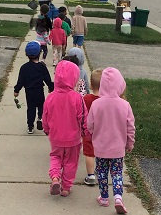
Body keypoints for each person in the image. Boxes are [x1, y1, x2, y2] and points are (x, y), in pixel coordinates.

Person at [87, 67, 135, 214]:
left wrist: (92, 134)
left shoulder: (96, 104)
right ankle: (118, 196)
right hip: (117, 148)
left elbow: (90, 124)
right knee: (117, 172)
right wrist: (129, 143)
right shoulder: (124, 105)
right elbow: (130, 127)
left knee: (101, 172)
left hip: (100, 147)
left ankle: (104, 197)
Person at [42, 60, 89, 197]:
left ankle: (55, 177)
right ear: (74, 78)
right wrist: (85, 132)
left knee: (55, 157)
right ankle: (66, 187)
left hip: (56, 137)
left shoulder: (50, 98)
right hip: (73, 139)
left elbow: (45, 116)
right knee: (71, 162)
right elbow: (83, 117)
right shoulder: (77, 98)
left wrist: (47, 129)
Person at [14, 41, 54, 134]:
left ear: (26, 54)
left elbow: (20, 81)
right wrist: (51, 87)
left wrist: (17, 90)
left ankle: (30, 126)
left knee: (31, 108)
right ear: (40, 53)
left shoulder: (24, 68)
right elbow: (47, 78)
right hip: (39, 90)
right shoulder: (42, 66)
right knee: (41, 106)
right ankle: (40, 117)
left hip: (29, 92)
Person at [82, 68, 103, 186]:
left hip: (88, 131)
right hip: (103, 131)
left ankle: (90, 175)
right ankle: (100, 172)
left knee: (89, 153)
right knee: (100, 152)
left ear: (90, 84)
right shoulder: (105, 100)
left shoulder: (86, 99)